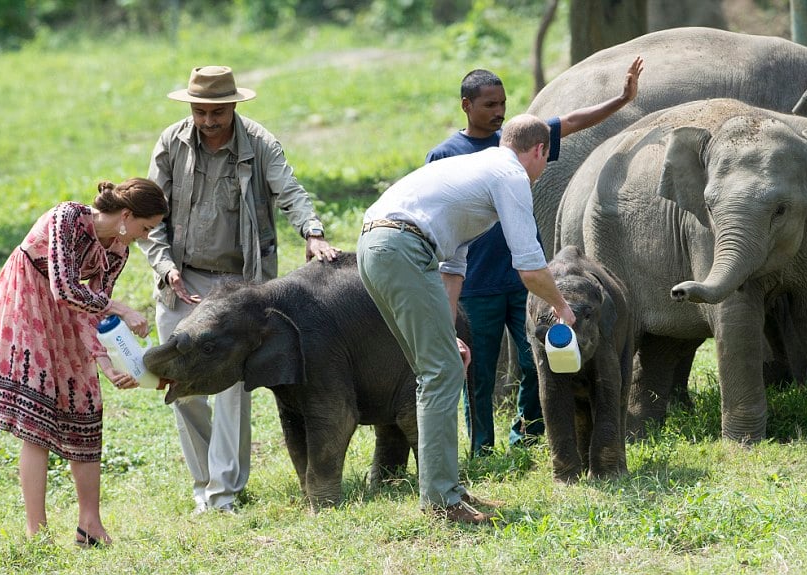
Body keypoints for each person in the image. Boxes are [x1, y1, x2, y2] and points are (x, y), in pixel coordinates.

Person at [138, 65, 341, 515]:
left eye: (217, 112)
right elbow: (150, 213)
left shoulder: (260, 142)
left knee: (230, 389)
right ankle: (204, 484)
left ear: (234, 105)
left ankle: (224, 493)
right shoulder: (171, 142)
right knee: (181, 386)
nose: (207, 120)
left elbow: (290, 190)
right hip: (183, 280)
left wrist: (312, 231)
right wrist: (166, 266)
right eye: (200, 111)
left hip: (238, 288)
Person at [357, 114, 577, 524]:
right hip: (403, 247)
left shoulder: (473, 170)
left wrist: (446, 329)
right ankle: (442, 502)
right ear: (539, 150)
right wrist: (562, 306)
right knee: (441, 373)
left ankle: (446, 488)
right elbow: (529, 268)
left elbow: (452, 267)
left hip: (376, 246)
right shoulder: (510, 175)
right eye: (546, 159)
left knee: (439, 367)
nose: (542, 169)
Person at [425, 58, 643, 454]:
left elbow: (573, 121)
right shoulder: (446, 154)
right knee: (480, 373)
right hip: (473, 282)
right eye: (489, 105)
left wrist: (621, 99)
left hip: (530, 282)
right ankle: (482, 449)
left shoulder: (517, 143)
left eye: (502, 103)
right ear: (465, 105)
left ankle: (527, 437)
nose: (499, 112)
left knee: (537, 360)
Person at [0, 177, 168, 546]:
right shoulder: (69, 218)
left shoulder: (117, 251)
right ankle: (38, 534)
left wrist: (107, 364)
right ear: (126, 215)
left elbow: (90, 311)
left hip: (69, 314)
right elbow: (63, 286)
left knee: (86, 404)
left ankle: (89, 526)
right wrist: (122, 308)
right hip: (28, 299)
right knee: (40, 412)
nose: (145, 237)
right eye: (145, 228)